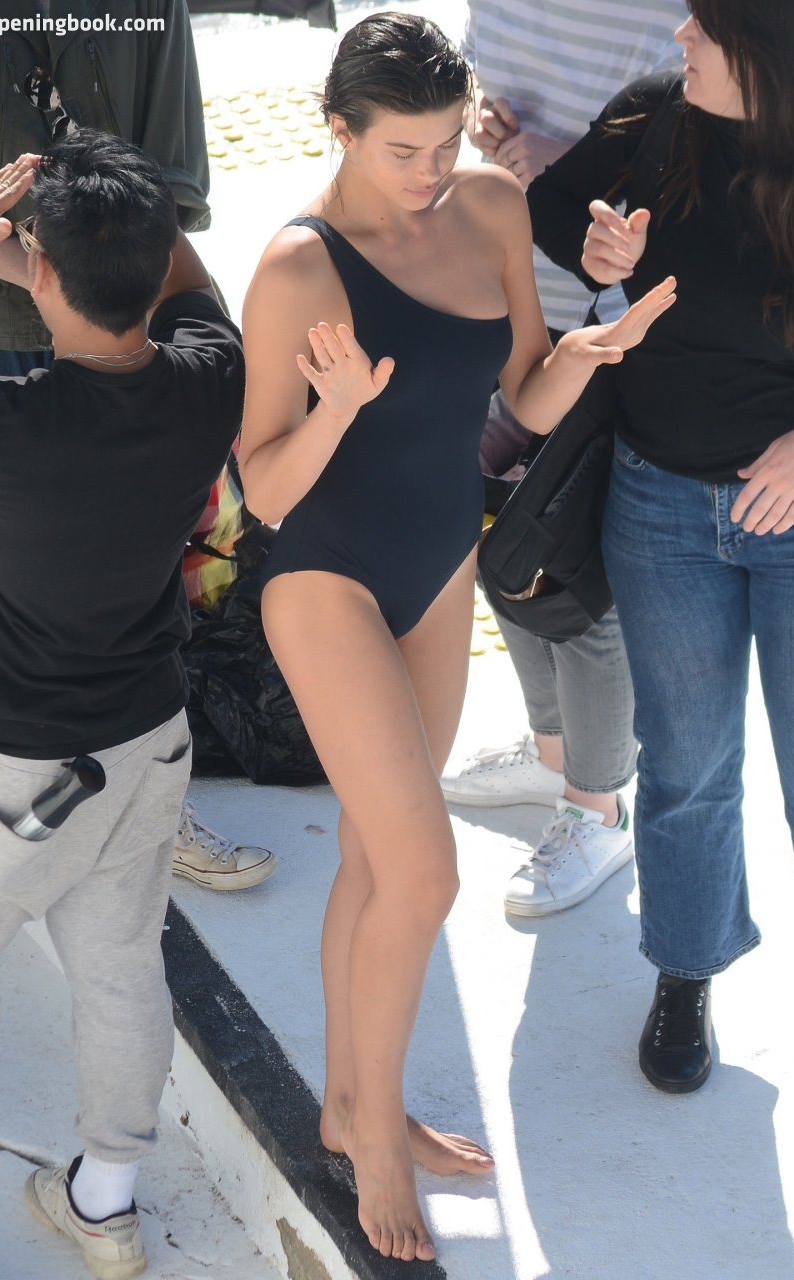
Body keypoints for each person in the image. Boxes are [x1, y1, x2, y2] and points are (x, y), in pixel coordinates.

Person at [237, 12, 676, 1262]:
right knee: (424, 871)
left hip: (435, 567)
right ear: (339, 130)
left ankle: (346, 1100)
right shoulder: (298, 269)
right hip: (325, 579)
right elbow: (265, 490)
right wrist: (337, 408)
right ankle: (375, 1131)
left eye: (443, 144)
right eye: (402, 152)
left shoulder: (487, 205)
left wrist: (589, 345)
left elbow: (523, 392)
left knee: (377, 858)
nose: (431, 173)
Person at [0, 131, 245, 1279]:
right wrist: (43, 256)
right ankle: (106, 1204)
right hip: (146, 743)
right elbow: (182, 290)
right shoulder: (207, 379)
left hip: (7, 764)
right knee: (122, 968)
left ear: (39, 264)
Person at [525, 0, 794, 1092]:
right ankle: (685, 971)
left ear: (767, 48)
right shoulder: (654, 117)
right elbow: (553, 212)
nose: (678, 36)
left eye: (704, 25)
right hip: (658, 505)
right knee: (685, 767)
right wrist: (600, 250)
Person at [0, 0, 276, 890]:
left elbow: (170, 165)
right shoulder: (217, 369)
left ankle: (40, 800)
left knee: (54, 567)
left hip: (77, 308)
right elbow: (189, 283)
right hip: (19, 312)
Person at [441, 0, 688, 920]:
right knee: (495, 540)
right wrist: (477, 118)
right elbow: (486, 63)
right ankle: (553, 754)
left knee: (578, 580)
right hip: (492, 286)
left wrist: (569, 168)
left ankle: (597, 805)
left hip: (607, 317)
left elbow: (717, 134)